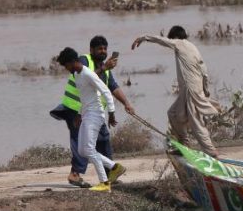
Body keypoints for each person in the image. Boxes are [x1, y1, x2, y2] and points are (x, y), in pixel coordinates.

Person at [51, 35, 136, 188]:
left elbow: (112, 87)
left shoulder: (105, 69)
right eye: (99, 49)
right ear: (91, 50)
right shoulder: (84, 60)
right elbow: (89, 77)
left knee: (102, 140)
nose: (103, 51)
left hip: (92, 111)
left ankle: (111, 173)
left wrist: (126, 103)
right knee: (81, 142)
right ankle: (76, 174)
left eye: (105, 48)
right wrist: (104, 68)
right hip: (75, 107)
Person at [131, 26, 221, 157]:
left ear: (174, 37)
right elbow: (204, 69)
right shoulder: (193, 47)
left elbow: (160, 40)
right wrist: (205, 88)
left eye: (171, 39)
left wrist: (143, 38)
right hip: (193, 89)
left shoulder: (179, 43)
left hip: (190, 89)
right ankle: (184, 144)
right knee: (173, 114)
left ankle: (211, 152)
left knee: (195, 122)